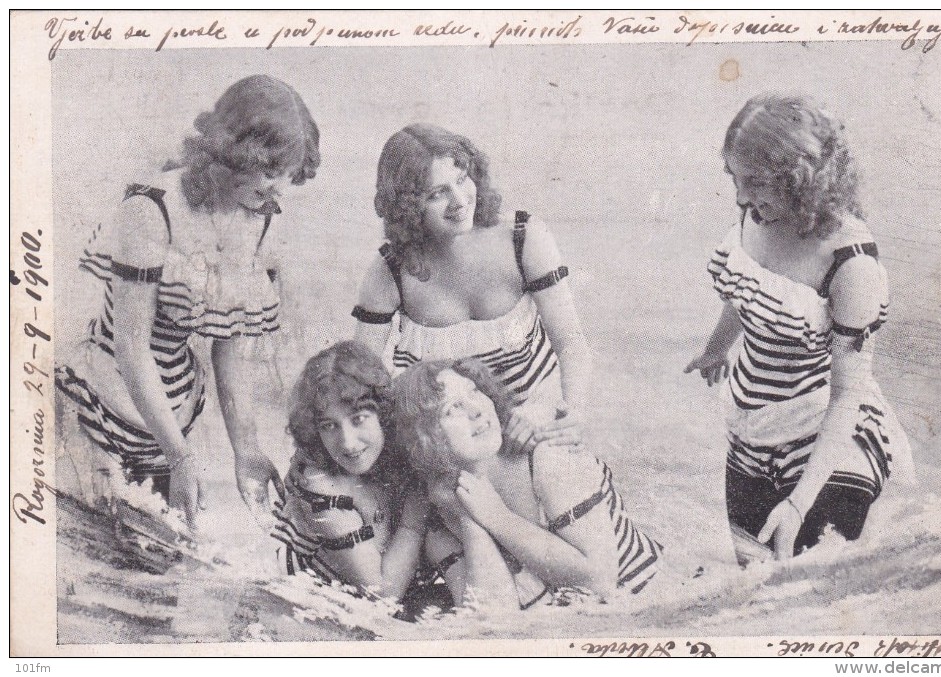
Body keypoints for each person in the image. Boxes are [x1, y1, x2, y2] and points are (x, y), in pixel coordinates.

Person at [55, 75, 321, 529]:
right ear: (235, 154)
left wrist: (247, 450)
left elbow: (230, 348)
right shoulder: (152, 207)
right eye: (270, 175)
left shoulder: (258, 219)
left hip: (171, 420)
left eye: (287, 178)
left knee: (168, 557)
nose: (278, 193)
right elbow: (131, 349)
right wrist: (180, 457)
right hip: (103, 402)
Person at [685, 93, 916, 560]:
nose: (741, 196)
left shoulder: (850, 263)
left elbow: (847, 394)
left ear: (802, 179)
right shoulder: (758, 212)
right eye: (734, 177)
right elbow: (746, 288)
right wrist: (717, 346)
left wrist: (798, 502)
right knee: (754, 584)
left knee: (809, 584)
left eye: (755, 182)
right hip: (750, 438)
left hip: (828, 444)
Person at [352, 123, 592, 445]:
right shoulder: (390, 272)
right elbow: (360, 378)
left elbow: (571, 342)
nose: (460, 201)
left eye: (461, 179)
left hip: (533, 421)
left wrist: (563, 410)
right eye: (437, 194)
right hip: (446, 441)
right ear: (408, 207)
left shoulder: (522, 238)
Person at [389, 358, 664, 606]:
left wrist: (496, 516)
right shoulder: (445, 509)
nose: (476, 410)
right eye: (452, 409)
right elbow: (492, 618)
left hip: (657, 599)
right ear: (423, 440)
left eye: (474, 391)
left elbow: (600, 581)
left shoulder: (548, 458)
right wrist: (470, 519)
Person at [272, 341, 516, 613]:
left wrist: (519, 425)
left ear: (383, 411)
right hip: (314, 603)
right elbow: (382, 596)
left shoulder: (398, 437)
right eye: (329, 426)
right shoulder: (321, 487)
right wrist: (414, 514)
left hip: (407, 585)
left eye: (359, 418)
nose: (348, 443)